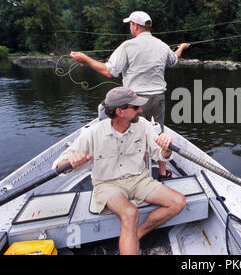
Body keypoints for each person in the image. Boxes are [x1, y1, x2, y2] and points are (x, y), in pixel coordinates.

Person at [52, 87, 186, 255]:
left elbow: (159, 154)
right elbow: (58, 166)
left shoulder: (143, 125)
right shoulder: (93, 133)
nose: (141, 110)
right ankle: (130, 238)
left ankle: (137, 234)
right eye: (135, 107)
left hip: (139, 179)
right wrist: (70, 162)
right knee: (130, 213)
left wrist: (166, 149)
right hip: (108, 184)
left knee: (178, 202)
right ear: (120, 111)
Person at [70, 11, 190, 181]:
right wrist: (181, 48)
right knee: (160, 134)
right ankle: (163, 172)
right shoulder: (162, 45)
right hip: (158, 98)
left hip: (135, 100)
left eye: (130, 24)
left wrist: (85, 59)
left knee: (138, 135)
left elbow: (108, 71)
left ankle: (141, 175)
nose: (130, 27)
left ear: (134, 25)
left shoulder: (127, 46)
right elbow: (174, 61)